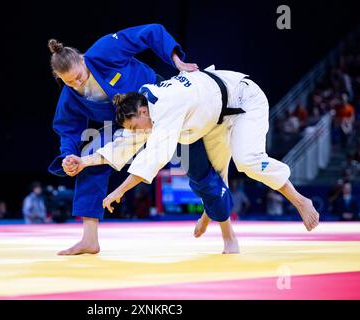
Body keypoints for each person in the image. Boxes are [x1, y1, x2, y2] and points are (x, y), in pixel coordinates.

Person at [65, 65, 320, 253]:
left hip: (244, 100)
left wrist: (116, 192)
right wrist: (84, 161)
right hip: (214, 116)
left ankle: (300, 201)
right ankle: (218, 224)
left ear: (142, 112)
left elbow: (152, 159)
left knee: (247, 161)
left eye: (134, 125)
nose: (136, 132)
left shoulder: (164, 107)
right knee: (217, 178)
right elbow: (123, 144)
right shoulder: (144, 104)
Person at [48, 24, 226, 255]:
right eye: (69, 82)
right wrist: (68, 156)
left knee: (198, 164)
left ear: (82, 59)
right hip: (123, 123)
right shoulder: (69, 96)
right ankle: (89, 239)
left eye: (79, 77)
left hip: (154, 103)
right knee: (88, 161)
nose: (77, 84)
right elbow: (68, 129)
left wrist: (177, 63)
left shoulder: (104, 51)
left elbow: (151, 31)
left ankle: (225, 228)